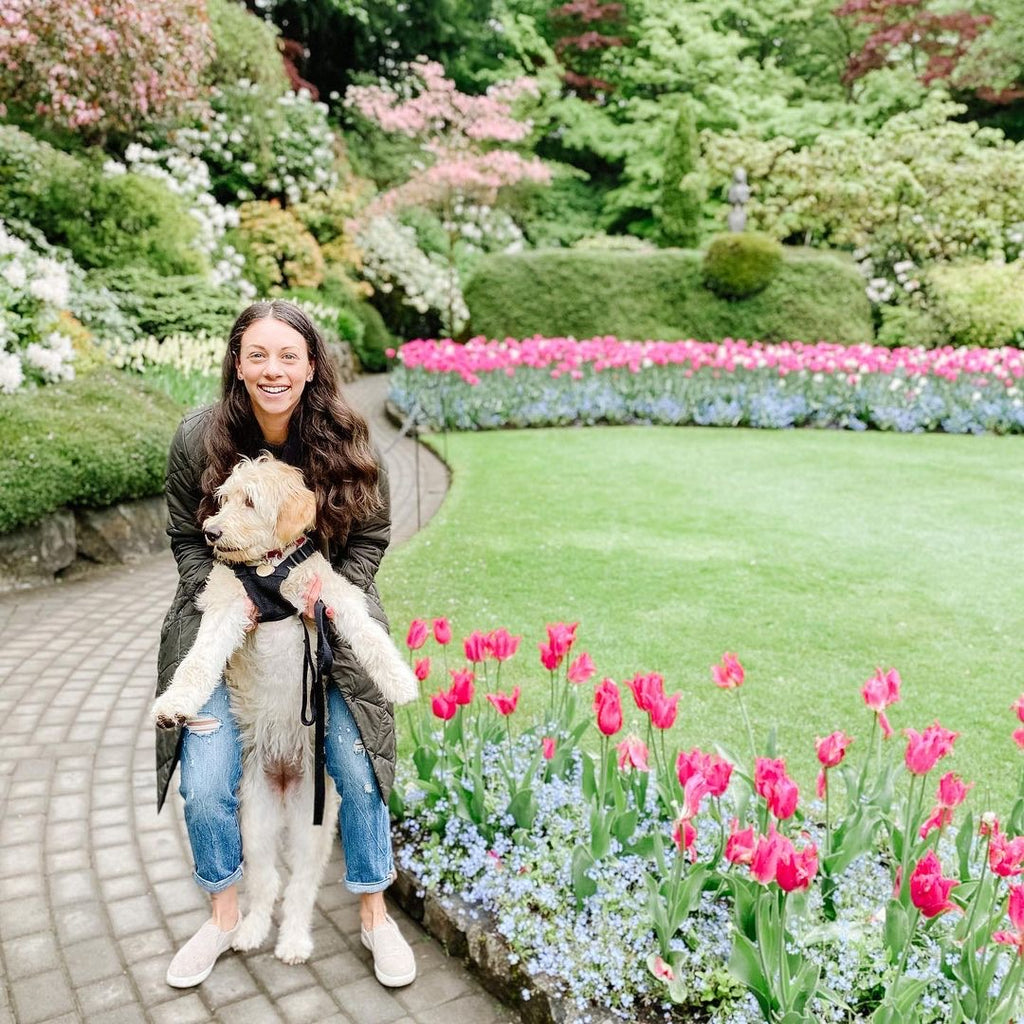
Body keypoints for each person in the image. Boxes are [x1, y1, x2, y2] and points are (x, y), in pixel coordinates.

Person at [154, 299, 416, 989]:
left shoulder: (347, 436)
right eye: (258, 354)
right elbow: (187, 537)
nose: (272, 369)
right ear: (237, 362)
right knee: (209, 784)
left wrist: (319, 599)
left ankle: (373, 915)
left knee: (356, 771)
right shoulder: (197, 438)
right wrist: (234, 588)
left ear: (310, 365)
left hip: (323, 626)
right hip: (229, 626)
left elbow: (371, 537)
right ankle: (223, 915)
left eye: (288, 356)